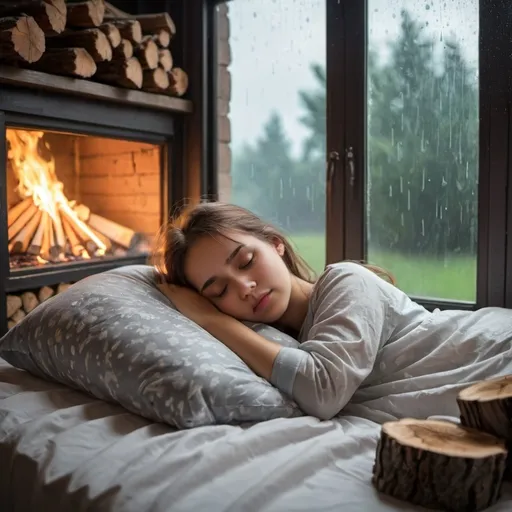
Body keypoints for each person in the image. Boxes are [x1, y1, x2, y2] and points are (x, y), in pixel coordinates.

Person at [154, 201, 512, 421]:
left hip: (490, 353)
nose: (244, 287)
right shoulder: (277, 343)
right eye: (219, 291)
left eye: (247, 261)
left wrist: (209, 318)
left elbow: (322, 390)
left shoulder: (346, 280)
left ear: (275, 243)